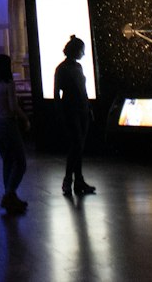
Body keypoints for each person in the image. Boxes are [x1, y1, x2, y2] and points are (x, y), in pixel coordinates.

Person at [54, 34, 95, 196]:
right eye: (82, 51)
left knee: (78, 146)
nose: (83, 54)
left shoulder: (76, 68)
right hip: (71, 111)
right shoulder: (62, 69)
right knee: (76, 145)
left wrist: (89, 108)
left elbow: (82, 91)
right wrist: (59, 113)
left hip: (82, 110)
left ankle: (76, 180)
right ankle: (70, 180)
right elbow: (57, 93)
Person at [0, 54, 27, 213]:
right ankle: (9, 194)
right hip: (8, 124)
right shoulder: (9, 84)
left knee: (7, 161)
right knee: (20, 162)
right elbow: (13, 107)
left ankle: (10, 196)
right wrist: (25, 118)